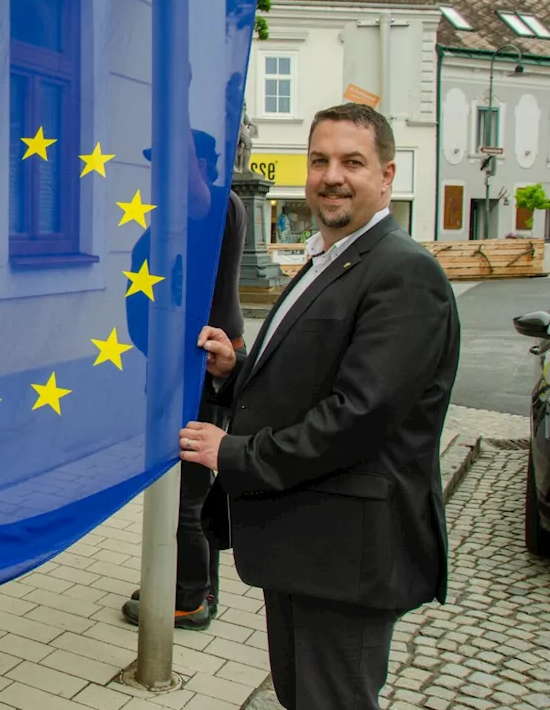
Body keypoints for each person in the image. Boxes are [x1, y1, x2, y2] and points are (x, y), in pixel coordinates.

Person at [178, 103, 459, 709]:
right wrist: (236, 372)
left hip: (347, 554)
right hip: (303, 542)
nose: (332, 175)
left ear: (386, 176)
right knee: (300, 697)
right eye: (320, 161)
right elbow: (309, 377)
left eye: (352, 162)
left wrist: (236, 454)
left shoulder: (404, 273)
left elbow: (357, 417)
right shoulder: (329, 257)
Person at [123, 129, 247, 630]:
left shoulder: (221, 209)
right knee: (182, 484)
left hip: (206, 374)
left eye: (175, 163)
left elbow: (199, 199)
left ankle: (189, 599)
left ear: (202, 166)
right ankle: (186, 579)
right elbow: (140, 309)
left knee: (188, 494)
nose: (163, 174)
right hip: (170, 378)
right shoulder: (155, 233)